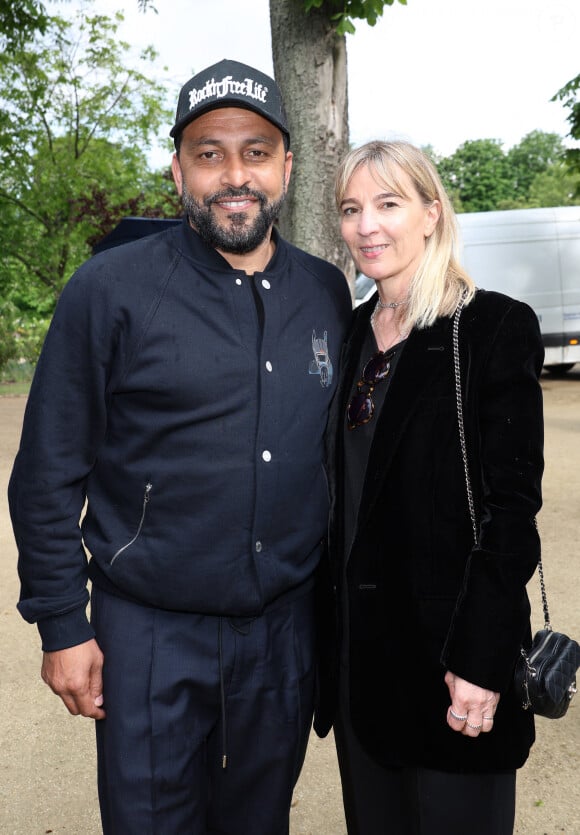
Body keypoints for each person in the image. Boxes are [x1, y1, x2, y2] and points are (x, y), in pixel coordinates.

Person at [9, 59, 352, 834]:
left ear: (287, 166)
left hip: (282, 633)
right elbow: (46, 475)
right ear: (177, 171)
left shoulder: (325, 291)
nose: (235, 174)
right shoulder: (110, 290)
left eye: (256, 152)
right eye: (209, 153)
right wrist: (63, 624)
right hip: (150, 633)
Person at [315, 140, 544, 834]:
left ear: (431, 212)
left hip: (452, 675)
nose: (367, 226)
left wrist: (480, 661)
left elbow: (511, 517)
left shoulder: (491, 328)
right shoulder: (351, 334)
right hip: (362, 673)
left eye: (388, 203)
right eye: (352, 209)